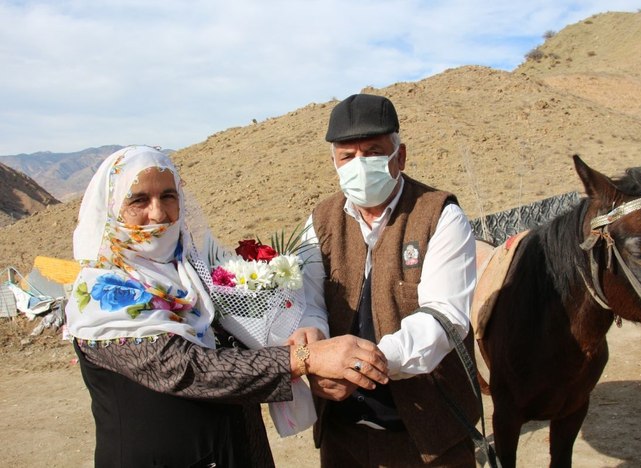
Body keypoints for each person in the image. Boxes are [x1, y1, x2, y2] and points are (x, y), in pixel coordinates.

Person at [65, 145, 389, 468]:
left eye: (168, 196)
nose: (159, 214)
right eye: (138, 200)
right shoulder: (102, 293)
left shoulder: (192, 276)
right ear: (109, 209)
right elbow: (186, 369)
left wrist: (299, 335)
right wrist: (306, 359)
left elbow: (236, 347)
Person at [298, 94, 480, 467]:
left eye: (373, 151)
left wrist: (359, 366)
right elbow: (308, 301)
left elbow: (445, 317)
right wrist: (315, 349)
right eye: (347, 156)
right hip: (342, 434)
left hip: (428, 438)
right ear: (334, 162)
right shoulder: (320, 221)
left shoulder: (440, 215)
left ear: (400, 156)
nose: (359, 165)